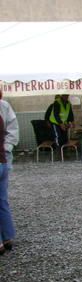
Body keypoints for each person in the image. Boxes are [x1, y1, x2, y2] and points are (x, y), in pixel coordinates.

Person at [0, 89, 19, 255]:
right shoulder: (4, 106)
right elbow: (13, 129)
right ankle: (7, 237)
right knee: (2, 200)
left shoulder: (4, 107)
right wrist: (7, 149)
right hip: (3, 160)